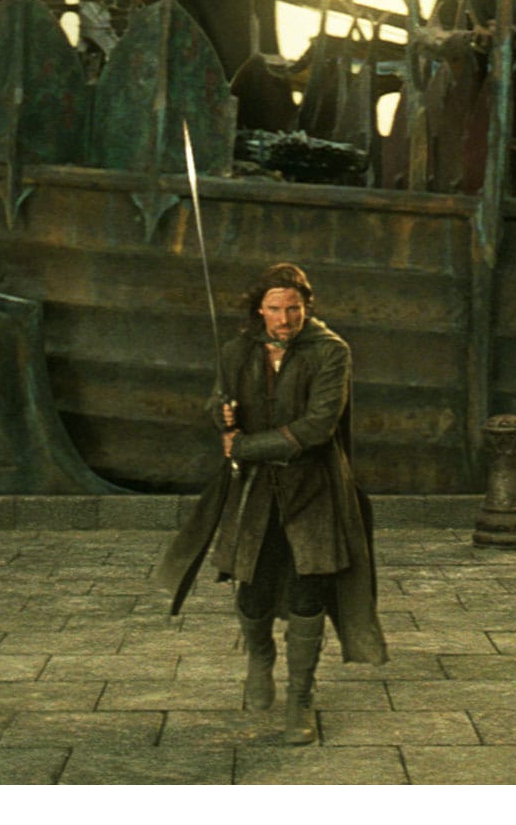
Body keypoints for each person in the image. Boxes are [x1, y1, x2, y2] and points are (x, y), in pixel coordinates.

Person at [154, 262, 387, 745]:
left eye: (293, 309)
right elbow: (216, 403)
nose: (285, 319)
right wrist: (219, 413)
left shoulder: (331, 351)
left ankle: (301, 696)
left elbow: (317, 427)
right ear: (259, 309)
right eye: (275, 309)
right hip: (255, 491)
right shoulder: (237, 351)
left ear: (306, 307)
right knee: (253, 589)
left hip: (315, 489)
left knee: (308, 592)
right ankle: (260, 658)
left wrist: (243, 445)